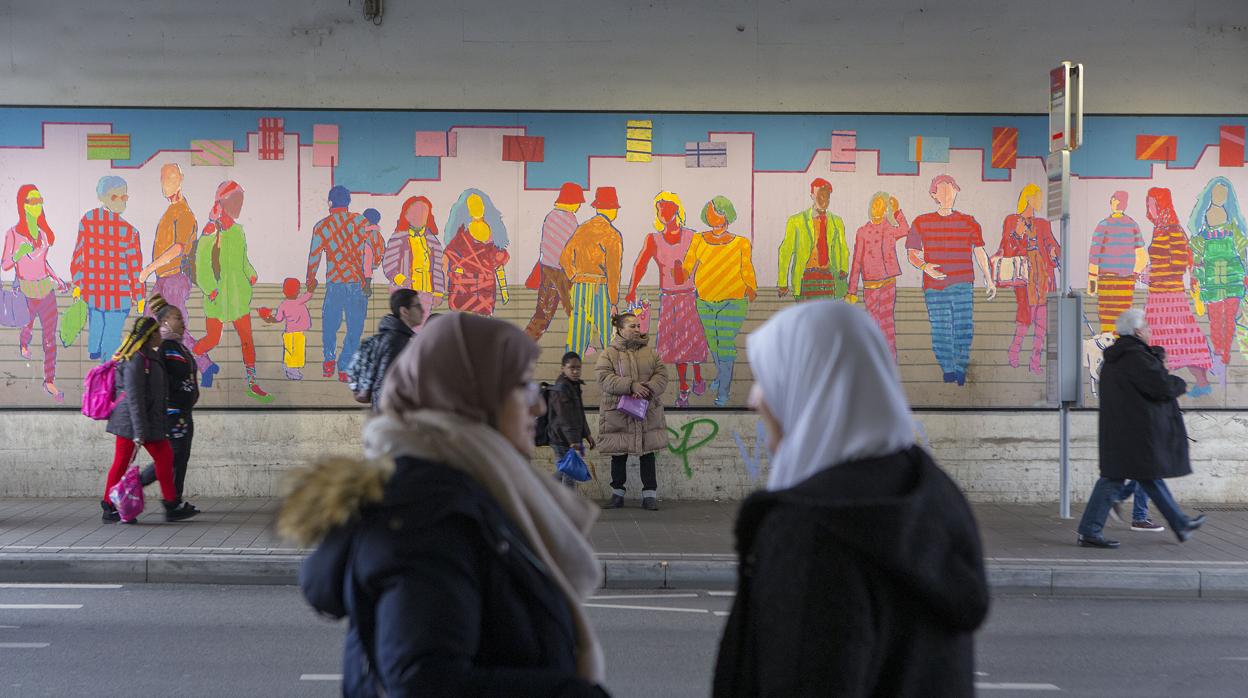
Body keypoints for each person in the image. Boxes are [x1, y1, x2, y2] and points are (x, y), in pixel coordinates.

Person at [279, 312, 608, 696]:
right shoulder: (425, 517)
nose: (538, 406)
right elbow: (423, 684)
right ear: (472, 397)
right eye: (523, 385)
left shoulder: (469, 489)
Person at [713, 301, 989, 697]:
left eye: (770, 377)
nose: (755, 399)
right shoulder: (929, 494)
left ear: (814, 383)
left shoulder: (813, 531)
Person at [1076, 308, 1208, 548]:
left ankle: (1091, 530)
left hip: (1122, 430)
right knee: (1137, 478)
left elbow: (1141, 387)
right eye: (1146, 327)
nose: (1149, 331)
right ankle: (1179, 524)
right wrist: (1179, 382)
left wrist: (1154, 357)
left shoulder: (1116, 358)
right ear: (1137, 331)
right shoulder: (1135, 357)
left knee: (1125, 478)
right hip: (1137, 432)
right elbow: (1160, 386)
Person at [101, 310, 200, 523]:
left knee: (165, 458)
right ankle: (109, 506)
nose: (160, 335)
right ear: (149, 335)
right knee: (121, 463)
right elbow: (134, 398)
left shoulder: (151, 356)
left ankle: (171, 504)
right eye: (156, 332)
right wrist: (138, 432)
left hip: (149, 421)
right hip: (131, 423)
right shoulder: (136, 360)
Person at [906, 174, 997, 386]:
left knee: (964, 327)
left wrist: (989, 278)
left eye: (951, 189)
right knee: (941, 328)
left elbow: (980, 251)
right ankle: (947, 367)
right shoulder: (921, 222)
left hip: (963, 283)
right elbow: (912, 253)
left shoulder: (969, 222)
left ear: (956, 192)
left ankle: (960, 367)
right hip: (935, 287)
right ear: (934, 195)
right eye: (943, 190)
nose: (948, 194)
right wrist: (925, 267)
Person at [139, 163, 219, 387]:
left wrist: (148, 268)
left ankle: (203, 364)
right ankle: (151, 370)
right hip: (163, 280)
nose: (166, 183)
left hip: (175, 279)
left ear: (181, 179)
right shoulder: (170, 212)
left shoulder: (184, 214)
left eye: (171, 177)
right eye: (163, 178)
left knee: (174, 329)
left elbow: (178, 248)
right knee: (149, 322)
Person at [625, 191, 708, 407]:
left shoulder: (693, 236)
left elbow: (706, 263)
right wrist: (631, 289)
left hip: (689, 296)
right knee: (678, 347)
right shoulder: (653, 239)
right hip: (669, 299)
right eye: (659, 208)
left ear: (677, 209)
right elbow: (640, 265)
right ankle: (683, 387)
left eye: (667, 207)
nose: (663, 212)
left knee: (694, 341)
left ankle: (698, 375)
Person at [191, 180, 271, 402]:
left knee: (247, 339)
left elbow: (243, 259)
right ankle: (193, 362)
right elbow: (201, 263)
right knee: (212, 339)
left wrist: (251, 272)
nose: (240, 205)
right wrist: (210, 289)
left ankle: (252, 382)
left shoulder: (239, 231)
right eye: (236, 200)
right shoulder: (210, 230)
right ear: (223, 202)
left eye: (241, 200)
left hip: (238, 297)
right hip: (217, 298)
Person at [680, 196, 757, 407]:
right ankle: (722, 375)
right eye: (711, 211)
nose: (712, 215)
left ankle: (724, 390)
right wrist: (681, 272)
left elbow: (746, 268)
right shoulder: (698, 239)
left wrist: (751, 287)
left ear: (727, 215)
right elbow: (688, 263)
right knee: (713, 343)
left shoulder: (741, 242)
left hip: (732, 300)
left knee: (725, 344)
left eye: (717, 211)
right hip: (704, 300)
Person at [307, 185, 384, 382]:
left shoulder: (321, 226)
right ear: (348, 202)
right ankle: (344, 366)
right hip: (357, 283)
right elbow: (376, 246)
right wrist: (371, 266)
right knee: (355, 326)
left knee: (330, 323)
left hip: (334, 283)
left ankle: (329, 359)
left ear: (330, 203)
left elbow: (314, 256)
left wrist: (310, 278)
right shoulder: (361, 222)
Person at [1142, 187, 1213, 397]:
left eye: (1152, 203)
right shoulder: (1160, 229)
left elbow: (1179, 264)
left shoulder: (1172, 229)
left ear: (1162, 205)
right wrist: (1149, 271)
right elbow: (1163, 261)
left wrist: (1152, 276)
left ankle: (1201, 382)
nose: (1149, 208)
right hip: (1158, 296)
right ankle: (1164, 384)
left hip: (1170, 298)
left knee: (1184, 339)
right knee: (1159, 342)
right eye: (1148, 204)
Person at [596, 312, 669, 510]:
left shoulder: (651, 353)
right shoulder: (609, 353)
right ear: (620, 329)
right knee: (618, 454)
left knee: (648, 454)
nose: (637, 329)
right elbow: (603, 378)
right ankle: (617, 494)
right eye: (632, 326)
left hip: (647, 410)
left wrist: (647, 388)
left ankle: (649, 495)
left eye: (638, 326)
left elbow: (662, 375)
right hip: (618, 414)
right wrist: (631, 386)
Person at [3, 183, 69, 401]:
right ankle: (23, 343)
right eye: (33, 201)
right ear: (23, 205)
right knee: (27, 326)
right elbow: (4, 265)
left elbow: (43, 262)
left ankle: (49, 381)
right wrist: (18, 253)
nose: (38, 205)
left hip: (46, 292)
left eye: (40, 200)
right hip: (26, 293)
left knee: (50, 340)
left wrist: (57, 278)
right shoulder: (13, 234)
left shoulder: (42, 233)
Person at [138, 296, 201, 514]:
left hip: (185, 412)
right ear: (164, 322)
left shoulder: (180, 348)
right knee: (171, 456)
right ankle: (136, 484)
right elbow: (160, 380)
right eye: (176, 317)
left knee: (181, 456)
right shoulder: (164, 349)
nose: (182, 321)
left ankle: (176, 501)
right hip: (172, 413)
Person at [71, 175, 145, 362]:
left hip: (93, 290)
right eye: (115, 197)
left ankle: (94, 349)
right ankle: (106, 368)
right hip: (117, 296)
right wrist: (139, 296)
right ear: (102, 197)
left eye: (124, 196)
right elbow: (134, 269)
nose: (121, 201)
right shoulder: (129, 231)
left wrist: (78, 283)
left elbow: (78, 256)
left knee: (96, 318)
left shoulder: (87, 220)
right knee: (111, 334)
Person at [997, 184, 1060, 374]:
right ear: (1029, 198)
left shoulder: (1043, 224)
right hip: (1025, 279)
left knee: (1042, 323)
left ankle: (1035, 362)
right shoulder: (1012, 220)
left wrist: (1054, 251)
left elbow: (1053, 244)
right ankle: (1014, 353)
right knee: (1024, 320)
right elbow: (1007, 249)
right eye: (1038, 197)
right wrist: (1017, 234)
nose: (1041, 201)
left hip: (1043, 277)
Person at [1188, 177, 1246, 370]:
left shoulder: (1233, 226)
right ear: (1210, 194)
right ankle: (1218, 349)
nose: (1220, 196)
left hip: (1233, 278)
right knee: (1215, 317)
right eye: (1217, 192)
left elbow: (1244, 249)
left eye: (1224, 193)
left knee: (1230, 317)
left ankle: (1226, 350)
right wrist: (1195, 277)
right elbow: (1195, 255)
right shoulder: (1202, 228)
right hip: (1211, 278)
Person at [847, 191, 908, 359]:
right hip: (870, 285)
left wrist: (897, 212)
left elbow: (905, 229)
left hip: (889, 282)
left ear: (884, 209)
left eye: (880, 205)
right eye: (874, 204)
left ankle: (890, 359)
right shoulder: (862, 232)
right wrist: (852, 291)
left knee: (887, 322)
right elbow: (856, 261)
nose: (876, 208)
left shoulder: (889, 228)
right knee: (872, 323)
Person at [562, 187, 624, 354]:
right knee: (608, 332)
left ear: (598, 207)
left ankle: (569, 373)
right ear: (612, 210)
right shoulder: (612, 235)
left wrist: (574, 275)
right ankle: (613, 371)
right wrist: (613, 301)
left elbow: (564, 257)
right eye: (615, 209)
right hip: (600, 289)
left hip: (579, 287)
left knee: (577, 332)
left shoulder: (582, 229)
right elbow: (613, 272)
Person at [525, 183, 584, 341]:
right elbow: (573, 247)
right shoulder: (569, 220)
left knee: (546, 311)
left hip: (548, 269)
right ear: (571, 201)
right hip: (562, 271)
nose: (579, 206)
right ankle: (580, 343)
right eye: (578, 202)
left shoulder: (551, 216)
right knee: (572, 309)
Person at [778, 177, 848, 300]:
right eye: (820, 196)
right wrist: (782, 282)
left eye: (827, 196)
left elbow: (843, 248)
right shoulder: (796, 221)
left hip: (830, 279)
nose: (824, 200)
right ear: (812, 196)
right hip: (805, 279)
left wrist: (844, 268)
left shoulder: (837, 222)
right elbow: (785, 252)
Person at [354, 289, 424, 411]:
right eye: (417, 306)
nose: (422, 311)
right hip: (392, 417)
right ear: (404, 311)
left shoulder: (398, 337)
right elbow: (384, 384)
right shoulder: (396, 340)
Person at [443, 189, 511, 315]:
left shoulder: (492, 230)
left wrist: (504, 289)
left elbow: (498, 262)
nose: (477, 208)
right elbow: (447, 256)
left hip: (485, 288)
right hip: (462, 288)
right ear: (466, 209)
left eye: (479, 204)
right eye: (472, 205)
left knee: (482, 326)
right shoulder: (460, 233)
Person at [1087, 190, 1146, 333]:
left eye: (1116, 200)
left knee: (1108, 318)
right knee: (1123, 319)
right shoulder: (1133, 225)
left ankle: (1109, 347)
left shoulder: (1103, 225)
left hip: (1107, 281)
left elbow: (1094, 255)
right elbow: (1142, 257)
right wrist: (1134, 274)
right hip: (1125, 282)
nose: (1116, 203)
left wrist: (1092, 283)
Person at [382, 195, 445, 319]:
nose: (420, 216)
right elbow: (388, 264)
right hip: (404, 292)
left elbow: (438, 268)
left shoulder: (432, 241)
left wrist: (438, 292)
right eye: (416, 212)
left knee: (422, 325)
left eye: (424, 212)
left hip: (426, 292)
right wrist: (402, 279)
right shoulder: (398, 237)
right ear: (407, 215)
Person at [548, 351, 596, 489]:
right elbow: (564, 417)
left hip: (568, 438)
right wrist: (573, 440)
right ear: (563, 369)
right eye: (571, 368)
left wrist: (587, 434)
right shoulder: (562, 388)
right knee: (570, 472)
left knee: (565, 470)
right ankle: (570, 506)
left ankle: (541, 488)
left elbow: (579, 413)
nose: (575, 371)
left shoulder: (574, 386)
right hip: (560, 438)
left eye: (578, 368)